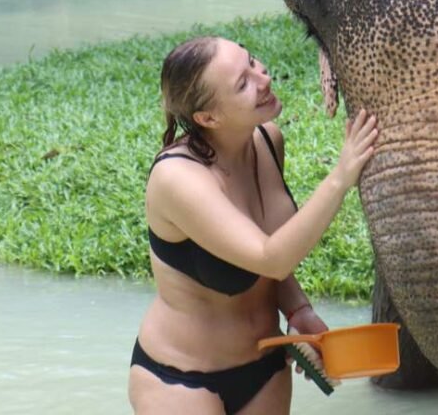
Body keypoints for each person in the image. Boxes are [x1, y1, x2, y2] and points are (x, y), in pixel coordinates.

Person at [128, 35, 379, 415]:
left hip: (264, 368)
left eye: (252, 62)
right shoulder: (178, 179)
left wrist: (297, 310)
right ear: (208, 118)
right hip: (180, 378)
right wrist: (340, 177)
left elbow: (263, 254)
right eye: (243, 84)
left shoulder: (266, 139)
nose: (263, 78)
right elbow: (271, 258)